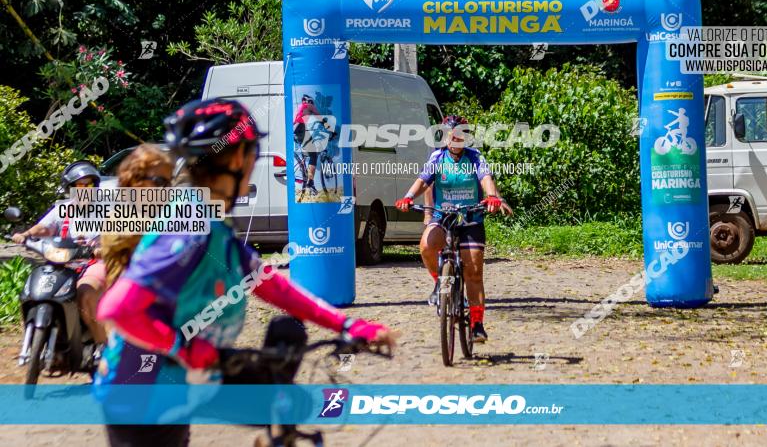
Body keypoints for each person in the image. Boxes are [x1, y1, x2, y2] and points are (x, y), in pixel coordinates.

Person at [95, 98, 396, 446]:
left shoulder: (212, 223)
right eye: (254, 153)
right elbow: (116, 309)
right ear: (238, 159)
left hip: (174, 386)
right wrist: (183, 347)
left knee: (285, 401)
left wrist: (348, 324)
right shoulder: (192, 229)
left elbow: (270, 286)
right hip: (141, 394)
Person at [395, 115, 511, 344]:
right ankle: (440, 281)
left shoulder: (475, 158)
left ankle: (477, 324)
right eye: (450, 136)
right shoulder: (437, 157)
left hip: (471, 217)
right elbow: (423, 180)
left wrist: (491, 197)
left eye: (458, 137)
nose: (453, 141)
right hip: (444, 216)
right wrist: (408, 197)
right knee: (427, 247)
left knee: (474, 272)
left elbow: (486, 178)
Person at [12, 160, 107, 344]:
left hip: (94, 263)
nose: (85, 189)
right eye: (80, 185)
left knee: (85, 293)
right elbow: (44, 228)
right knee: (35, 289)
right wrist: (26, 234)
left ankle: (102, 345)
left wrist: (103, 249)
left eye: (89, 185)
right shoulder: (64, 209)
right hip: (64, 263)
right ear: (70, 187)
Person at [101, 144, 173, 289]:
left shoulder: (167, 214)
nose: (168, 188)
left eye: (170, 182)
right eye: (160, 182)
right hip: (130, 306)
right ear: (135, 182)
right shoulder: (118, 218)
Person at [292, 94, 321, 195]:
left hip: (295, 129)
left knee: (307, 152)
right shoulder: (309, 106)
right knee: (313, 155)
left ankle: (304, 171)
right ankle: (310, 182)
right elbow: (320, 118)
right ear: (310, 102)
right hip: (300, 129)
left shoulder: (300, 107)